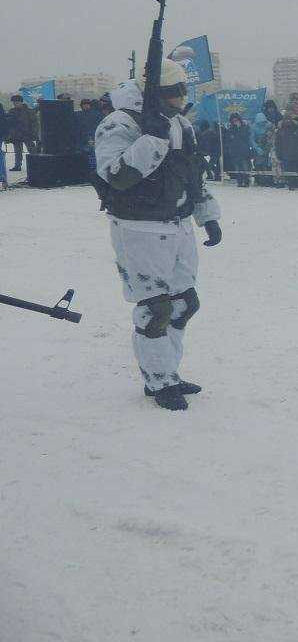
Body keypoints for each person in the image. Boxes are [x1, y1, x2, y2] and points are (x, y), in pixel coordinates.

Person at [93, 62, 222, 411]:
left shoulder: (180, 122)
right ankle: (159, 380)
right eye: (175, 91)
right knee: (156, 309)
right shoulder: (120, 123)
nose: (182, 97)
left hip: (178, 224)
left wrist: (207, 215)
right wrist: (151, 138)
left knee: (184, 302)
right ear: (157, 92)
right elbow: (116, 176)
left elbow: (193, 173)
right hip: (139, 228)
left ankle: (169, 372)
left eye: (183, 89)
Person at [8, 95, 38, 170]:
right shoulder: (12, 111)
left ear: (21, 102)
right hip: (16, 134)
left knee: (32, 151)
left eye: (16, 102)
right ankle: (17, 166)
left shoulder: (28, 111)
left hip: (27, 134)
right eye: (14, 102)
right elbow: (9, 123)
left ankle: (37, 164)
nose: (14, 104)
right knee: (18, 152)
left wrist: (34, 133)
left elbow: (34, 123)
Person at [222, 113, 252, 186]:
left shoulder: (245, 127)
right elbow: (228, 140)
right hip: (234, 151)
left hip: (244, 151)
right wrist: (229, 148)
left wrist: (240, 128)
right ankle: (240, 181)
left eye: (236, 120)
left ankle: (246, 180)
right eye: (233, 121)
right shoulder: (230, 130)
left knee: (245, 166)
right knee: (237, 167)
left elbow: (246, 136)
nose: (235, 122)